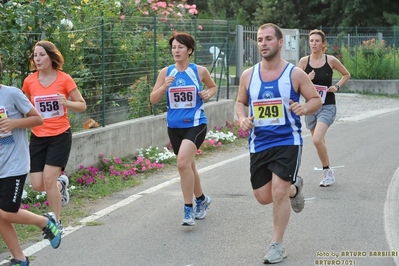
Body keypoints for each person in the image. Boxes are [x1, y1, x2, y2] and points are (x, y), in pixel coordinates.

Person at [236, 23, 322, 264]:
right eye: (260, 39)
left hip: (288, 140)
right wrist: (242, 118)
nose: (263, 43)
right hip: (259, 142)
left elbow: (315, 99)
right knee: (263, 196)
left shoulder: (294, 74)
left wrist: (305, 107)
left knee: (278, 191)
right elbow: (240, 103)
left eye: (268, 39)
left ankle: (277, 245)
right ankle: (295, 188)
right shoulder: (248, 75)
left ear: (280, 42)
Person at [150, 32, 217, 226]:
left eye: (180, 47)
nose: (176, 51)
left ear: (189, 50)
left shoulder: (199, 71)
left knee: (182, 164)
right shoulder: (166, 72)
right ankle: (202, 199)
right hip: (175, 126)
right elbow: (153, 99)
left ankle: (188, 210)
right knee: (188, 166)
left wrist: (207, 94)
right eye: (173, 47)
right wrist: (164, 87)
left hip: (196, 123)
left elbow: (213, 88)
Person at [0, 56, 62, 266]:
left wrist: (13, 123)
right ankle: (20, 260)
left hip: (14, 164)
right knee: (1, 216)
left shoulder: (11, 94)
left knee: (6, 212)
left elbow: (38, 118)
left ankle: (46, 222)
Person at [22, 40, 87, 234]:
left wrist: (66, 102)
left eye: (41, 54)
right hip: (37, 135)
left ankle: (56, 222)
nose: (38, 58)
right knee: (38, 184)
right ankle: (62, 184)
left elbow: (82, 105)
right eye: (35, 55)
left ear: (51, 57)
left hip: (60, 135)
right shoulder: (29, 81)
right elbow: (25, 108)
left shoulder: (64, 79)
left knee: (49, 180)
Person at [297, 29, 350, 187]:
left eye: (317, 41)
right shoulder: (303, 62)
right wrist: (306, 78)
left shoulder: (331, 60)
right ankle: (327, 169)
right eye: (311, 40)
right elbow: (294, 83)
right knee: (319, 142)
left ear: (323, 44)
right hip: (311, 107)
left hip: (327, 106)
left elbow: (346, 74)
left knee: (317, 139)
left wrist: (337, 86)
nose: (314, 43)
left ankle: (327, 172)